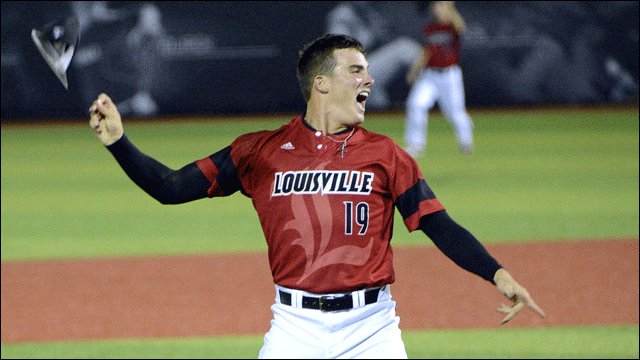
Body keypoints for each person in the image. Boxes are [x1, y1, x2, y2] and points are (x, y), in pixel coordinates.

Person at [89, 33, 545, 359]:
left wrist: (498, 274)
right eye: (356, 70)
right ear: (321, 84)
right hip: (294, 331)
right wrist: (118, 144)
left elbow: (437, 223)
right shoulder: (258, 151)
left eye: (367, 70)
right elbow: (170, 188)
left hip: (372, 332)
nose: (368, 78)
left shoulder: (385, 154)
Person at [404, 1, 474, 158]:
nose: (438, 9)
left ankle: (466, 142)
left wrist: (450, 7)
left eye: (441, 6)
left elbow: (462, 27)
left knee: (455, 112)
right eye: (436, 6)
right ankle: (415, 145)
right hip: (430, 75)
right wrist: (414, 71)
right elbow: (425, 53)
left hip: (450, 75)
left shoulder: (452, 26)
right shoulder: (430, 28)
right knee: (416, 104)